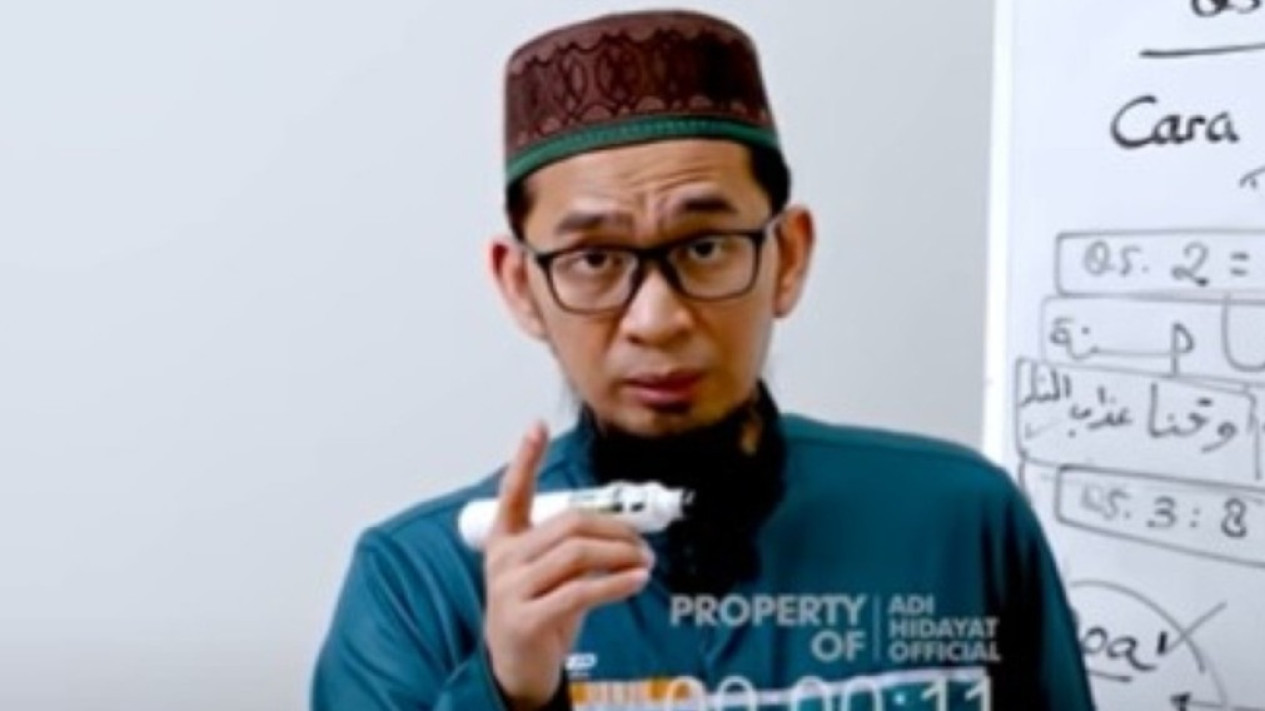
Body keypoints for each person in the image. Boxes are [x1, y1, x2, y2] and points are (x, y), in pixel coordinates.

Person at [311, 9, 1094, 710]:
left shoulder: (958, 521)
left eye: (707, 246)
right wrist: (506, 690)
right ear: (521, 286)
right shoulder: (418, 581)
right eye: (594, 259)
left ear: (788, 257)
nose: (657, 320)